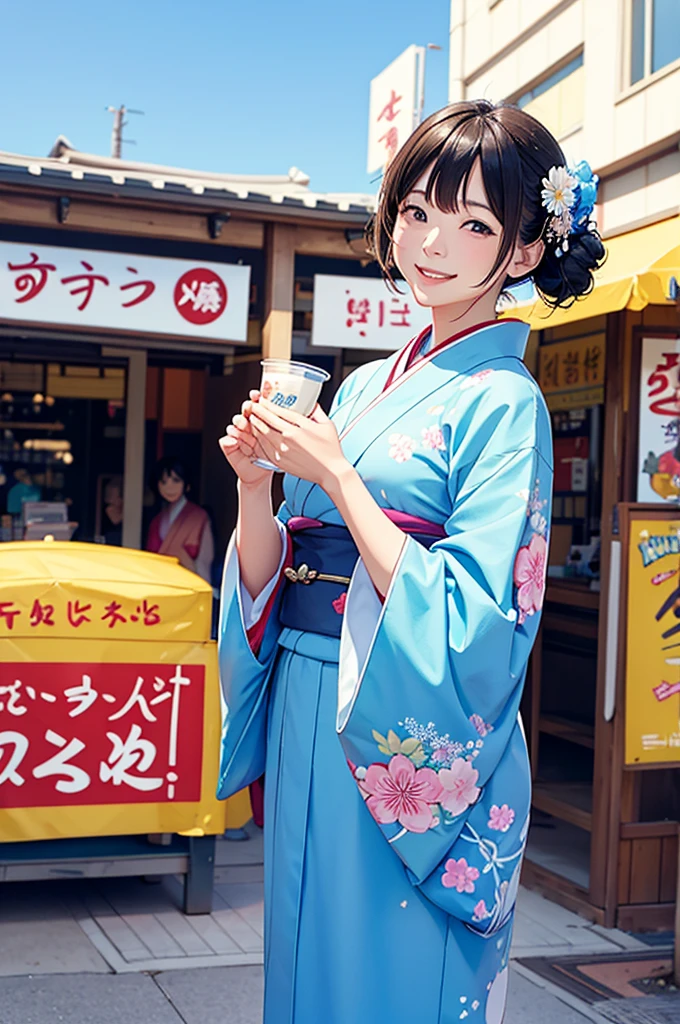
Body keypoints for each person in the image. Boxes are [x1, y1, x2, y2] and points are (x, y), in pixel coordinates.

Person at [217, 100, 604, 1024]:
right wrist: (255, 487)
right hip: (310, 700)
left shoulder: (507, 403)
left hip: (395, 725)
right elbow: (283, 570)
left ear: (520, 252)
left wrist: (340, 477)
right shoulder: (357, 387)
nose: (434, 242)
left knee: (387, 975)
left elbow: (477, 617)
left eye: (475, 224)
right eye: (420, 210)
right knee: (306, 955)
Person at [147, 457, 214, 583]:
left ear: (187, 485)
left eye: (176, 481)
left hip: (188, 582)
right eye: (164, 482)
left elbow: (205, 559)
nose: (169, 487)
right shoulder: (157, 520)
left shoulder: (199, 516)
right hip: (159, 581)